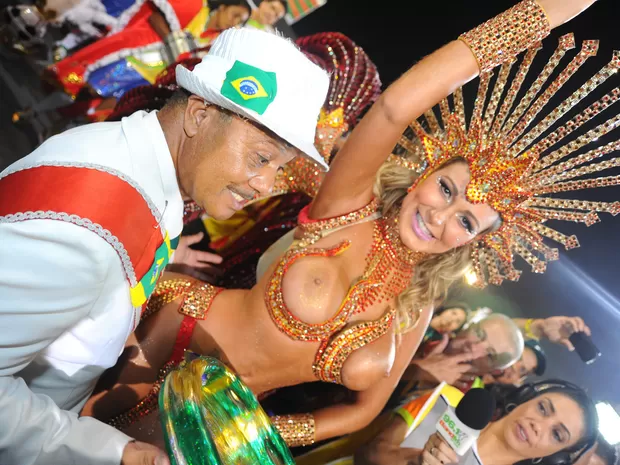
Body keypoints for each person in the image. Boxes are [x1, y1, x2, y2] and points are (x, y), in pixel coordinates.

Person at [77, 0, 612, 450]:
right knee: (66, 441)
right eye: (446, 189)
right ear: (423, 175)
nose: (440, 216)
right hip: (166, 339)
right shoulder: (352, 203)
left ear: (473, 241)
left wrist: (260, 434)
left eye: (466, 220)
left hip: (221, 421)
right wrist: (541, 15)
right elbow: (395, 107)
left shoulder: (417, 308)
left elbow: (363, 412)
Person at [0, 28, 328, 465]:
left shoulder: (148, 179)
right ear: (199, 116)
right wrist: (115, 452)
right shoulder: (87, 230)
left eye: (279, 167)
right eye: (261, 158)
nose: (267, 185)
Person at [356, 380, 598, 465]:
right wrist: (415, 460)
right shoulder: (446, 399)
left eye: (557, 434)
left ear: (555, 456)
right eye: (543, 408)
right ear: (526, 398)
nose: (539, 425)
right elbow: (366, 453)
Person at [46, 0, 251, 99]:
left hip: (152, 80)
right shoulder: (196, 8)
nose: (234, 22)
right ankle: (38, 110)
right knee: (88, 88)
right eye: (235, 14)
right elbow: (155, 18)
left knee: (101, 110)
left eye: (240, 21)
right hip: (135, 59)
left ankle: (51, 124)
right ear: (223, 6)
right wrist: (175, 43)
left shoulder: (215, 41)